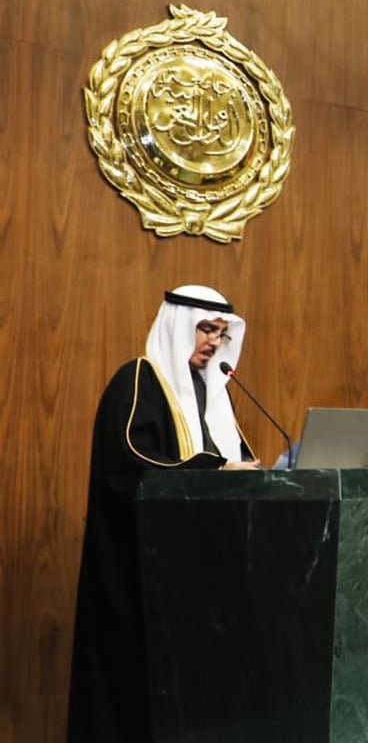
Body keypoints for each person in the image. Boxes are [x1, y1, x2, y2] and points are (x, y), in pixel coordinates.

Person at [68, 286, 261, 742]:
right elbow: (129, 462)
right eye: (206, 328)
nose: (213, 341)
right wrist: (214, 470)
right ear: (178, 324)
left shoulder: (214, 392)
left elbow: (233, 458)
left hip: (199, 565)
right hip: (137, 564)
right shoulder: (138, 380)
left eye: (221, 332)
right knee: (136, 684)